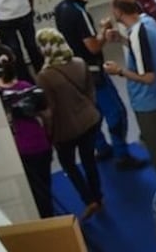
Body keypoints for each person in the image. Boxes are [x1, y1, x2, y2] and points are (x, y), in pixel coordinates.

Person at [52, 0, 146, 170]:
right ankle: (121, 154)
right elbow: (93, 47)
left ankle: (102, 147)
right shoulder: (79, 12)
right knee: (117, 111)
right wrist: (104, 32)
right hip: (92, 71)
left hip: (73, 71)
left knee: (90, 111)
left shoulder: (60, 9)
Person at [102, 0, 156, 173]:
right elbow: (145, 51)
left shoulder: (137, 34)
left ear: (118, 11)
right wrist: (122, 39)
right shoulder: (148, 22)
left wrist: (119, 71)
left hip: (149, 105)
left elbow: (148, 76)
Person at [34, 28, 105, 220]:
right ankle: (98, 196)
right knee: (89, 161)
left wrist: (48, 133)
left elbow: (50, 111)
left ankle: (88, 200)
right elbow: (91, 92)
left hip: (65, 130)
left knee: (69, 165)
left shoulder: (44, 76)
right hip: (89, 121)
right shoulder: (80, 63)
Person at [0, 44, 53, 219]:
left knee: (30, 194)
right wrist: (49, 137)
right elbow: (47, 115)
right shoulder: (27, 87)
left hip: (17, 152)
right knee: (45, 190)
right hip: (40, 144)